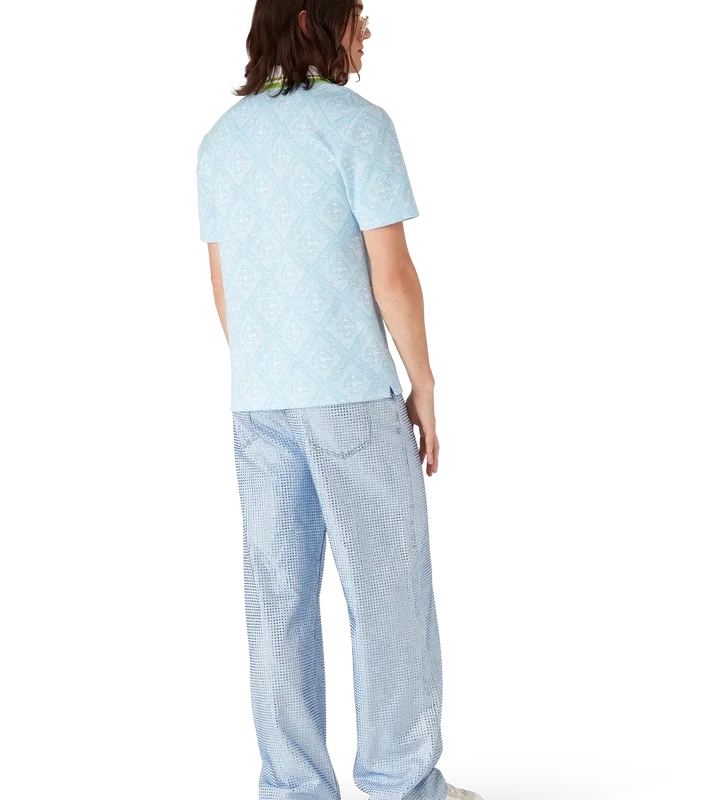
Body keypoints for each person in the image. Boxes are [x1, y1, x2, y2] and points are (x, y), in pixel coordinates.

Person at [196, 3, 481, 799]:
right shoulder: (354, 121)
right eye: (358, 18)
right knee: (387, 593)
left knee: (279, 597)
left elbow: (223, 287)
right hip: (352, 390)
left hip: (258, 398)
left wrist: (259, 378)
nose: (368, 32)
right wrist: (425, 389)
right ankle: (402, 782)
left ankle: (293, 788)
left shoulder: (222, 137)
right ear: (315, 25)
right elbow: (393, 276)